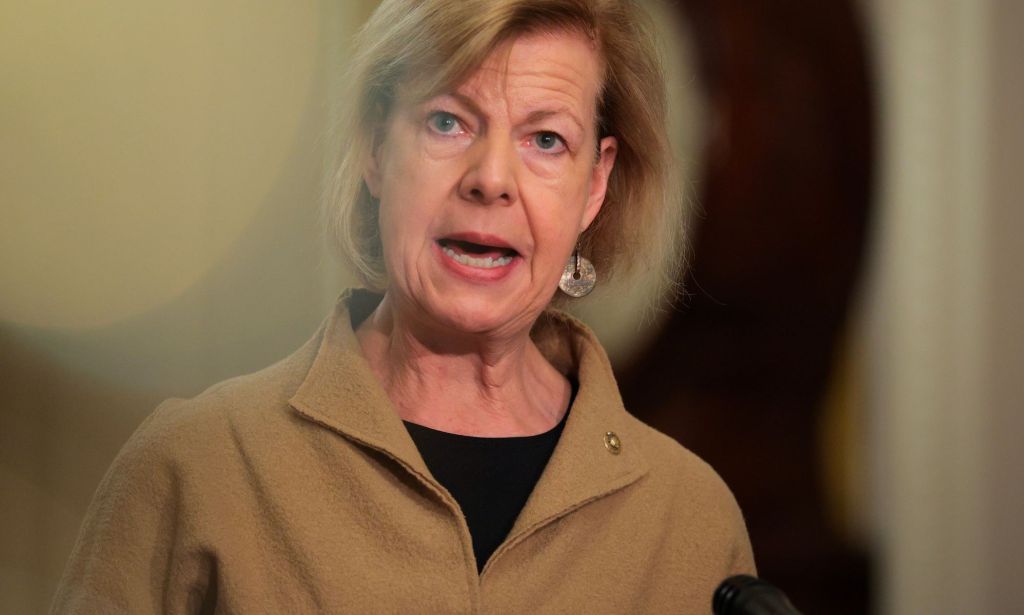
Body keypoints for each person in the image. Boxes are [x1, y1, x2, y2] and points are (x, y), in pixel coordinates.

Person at [53, 0, 755, 612]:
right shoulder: (199, 466)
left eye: (546, 139)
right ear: (374, 148)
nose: (490, 180)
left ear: (594, 184)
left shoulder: (690, 518)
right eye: (448, 121)